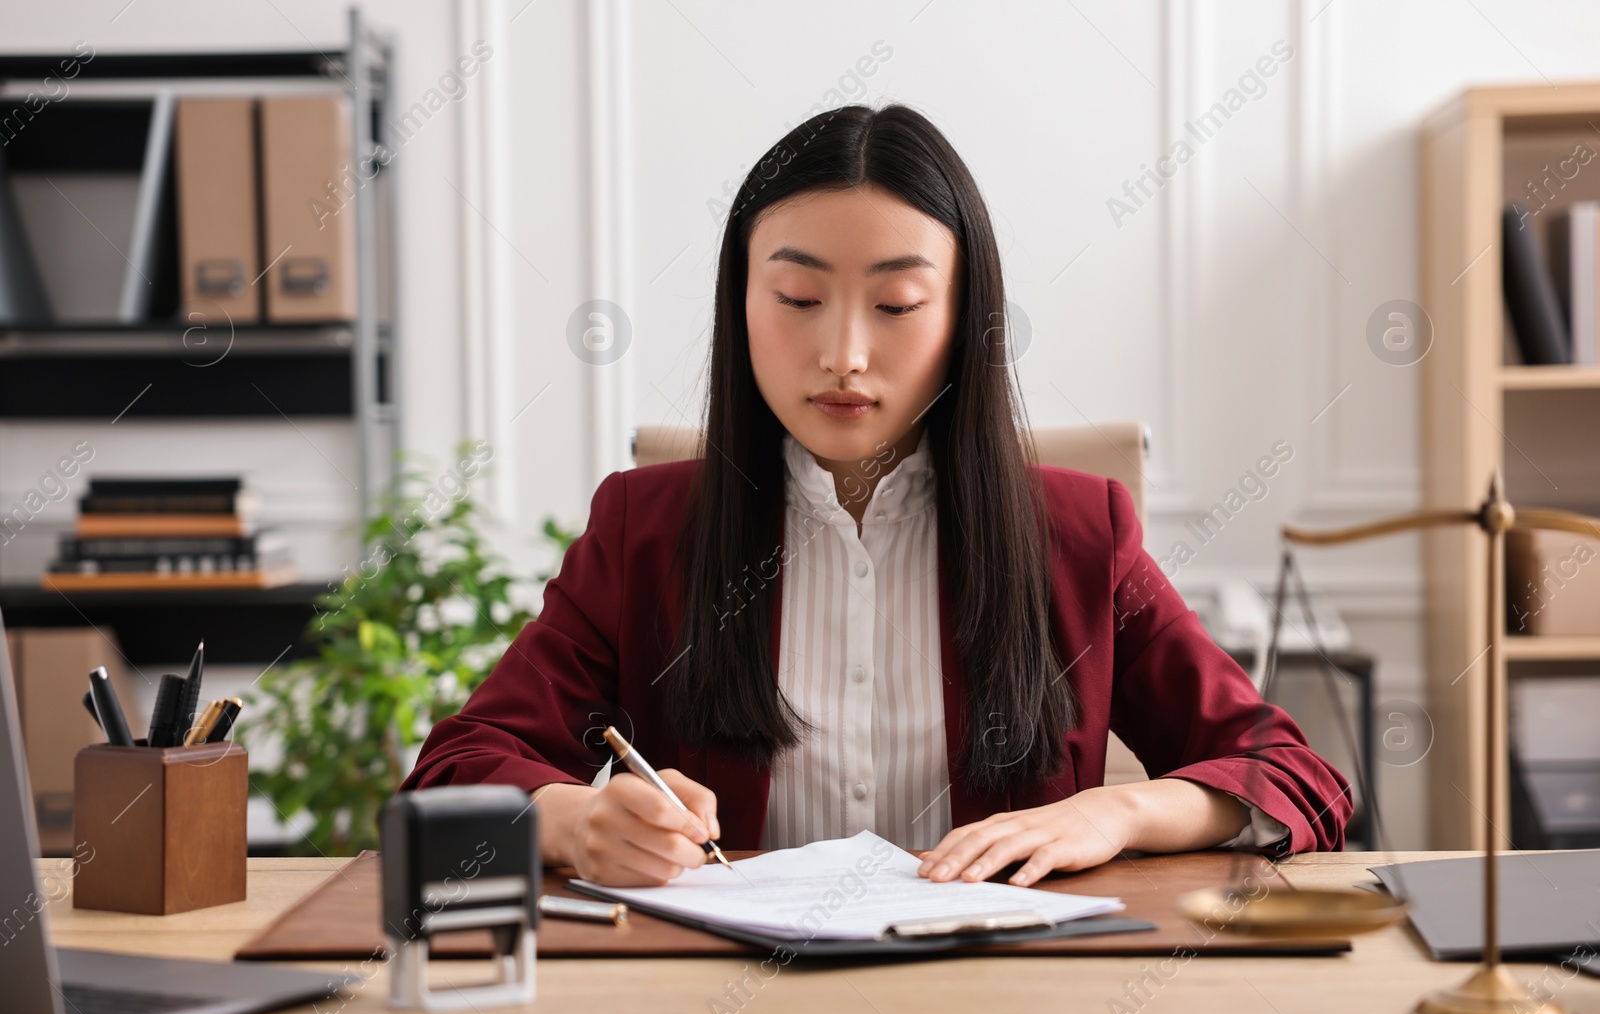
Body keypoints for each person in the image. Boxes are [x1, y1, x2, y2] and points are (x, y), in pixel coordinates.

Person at [401, 103, 1350, 888]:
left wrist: (1117, 809)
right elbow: (455, 771)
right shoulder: (643, 531)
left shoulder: (1077, 535)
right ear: (742, 305)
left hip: (1008, 1010)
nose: (844, 354)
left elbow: (1295, 776)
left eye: (897, 306)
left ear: (962, 318)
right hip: (718, 1006)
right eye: (799, 299)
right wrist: (571, 820)